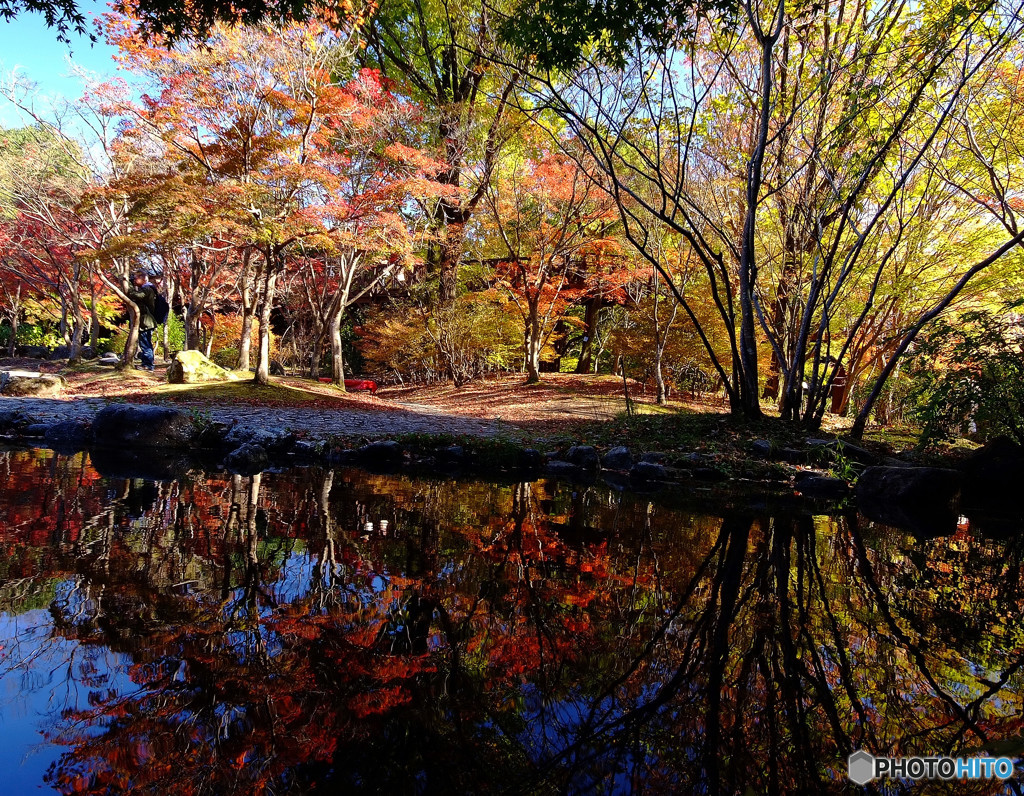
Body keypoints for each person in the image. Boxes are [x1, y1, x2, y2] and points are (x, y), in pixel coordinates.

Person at [126, 270, 157, 371]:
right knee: (145, 343)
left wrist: (129, 285)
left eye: (136, 278)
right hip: (145, 321)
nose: (134, 280)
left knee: (145, 344)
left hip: (146, 322)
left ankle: (148, 365)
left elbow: (137, 295)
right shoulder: (146, 288)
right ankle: (147, 364)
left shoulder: (147, 288)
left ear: (143, 279)